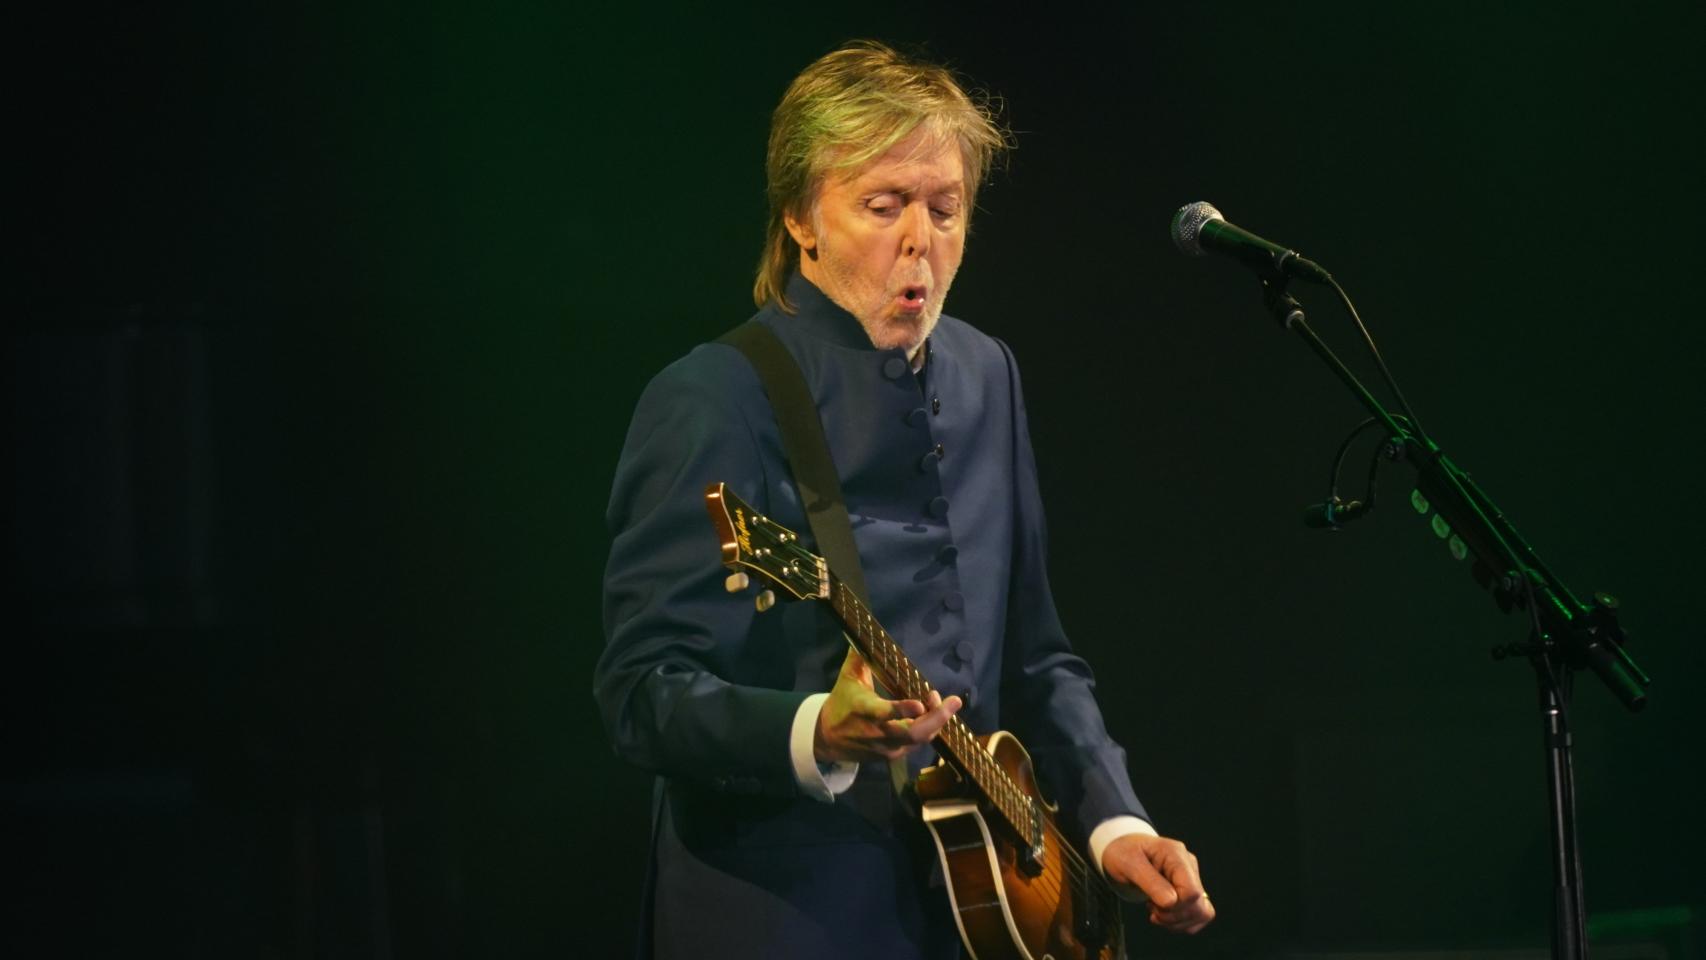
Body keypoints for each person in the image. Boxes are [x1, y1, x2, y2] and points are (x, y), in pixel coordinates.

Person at [596, 40, 1214, 958]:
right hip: (786, 914)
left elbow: (1039, 656)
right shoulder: (714, 397)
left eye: (945, 207)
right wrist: (817, 732)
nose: (919, 239)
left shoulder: (986, 373)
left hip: (984, 913)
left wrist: (1112, 824)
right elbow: (640, 692)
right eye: (882, 207)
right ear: (804, 220)